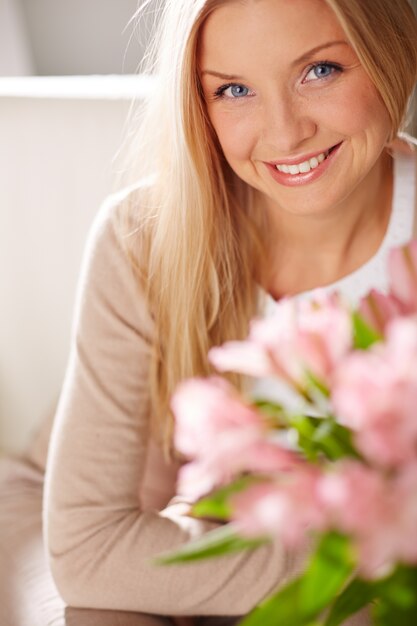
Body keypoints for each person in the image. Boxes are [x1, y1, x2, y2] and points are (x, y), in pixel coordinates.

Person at [1, 0, 417, 624]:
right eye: (234, 89)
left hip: (209, 548)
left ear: (393, 52)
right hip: (72, 523)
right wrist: (363, 560)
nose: (283, 132)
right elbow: (90, 551)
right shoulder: (143, 237)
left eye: (321, 71)